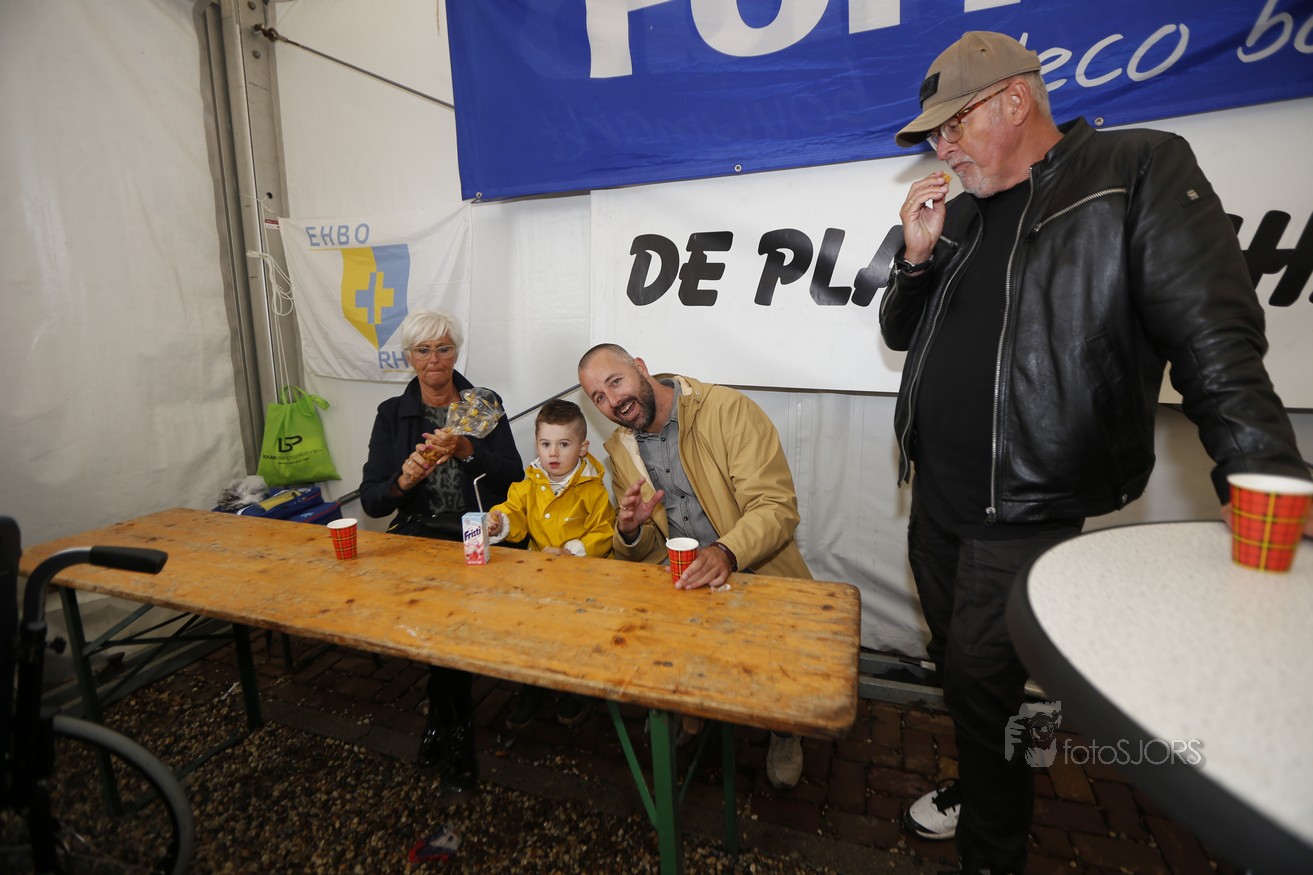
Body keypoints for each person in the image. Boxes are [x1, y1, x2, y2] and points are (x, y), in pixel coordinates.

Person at [880, 31, 1312, 874]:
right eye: (933, 134)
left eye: (953, 124)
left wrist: (1262, 472)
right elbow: (900, 332)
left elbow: (1211, 337)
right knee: (963, 671)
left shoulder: (1133, 168)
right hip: (934, 494)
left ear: (1014, 100)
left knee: (977, 678)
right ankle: (990, 769)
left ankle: (992, 849)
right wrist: (916, 258)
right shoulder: (956, 216)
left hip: (1024, 501)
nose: (942, 148)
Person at [577, 343, 813, 789]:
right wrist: (629, 530)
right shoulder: (622, 449)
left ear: (641, 368)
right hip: (684, 579)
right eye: (599, 397)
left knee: (774, 672)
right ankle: (687, 708)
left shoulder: (726, 411)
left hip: (753, 569)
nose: (613, 401)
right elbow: (646, 551)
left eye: (616, 382)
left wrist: (725, 551)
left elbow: (775, 506)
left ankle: (784, 728)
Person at [359, 309, 524, 794]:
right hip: (420, 532)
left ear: (456, 352)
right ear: (409, 357)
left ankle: (451, 732)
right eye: (423, 350)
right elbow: (372, 500)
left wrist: (469, 451)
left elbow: (515, 478)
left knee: (447, 630)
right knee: (443, 630)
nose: (434, 359)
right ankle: (452, 729)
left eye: (444, 348)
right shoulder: (392, 414)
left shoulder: (483, 404)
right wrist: (404, 480)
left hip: (475, 532)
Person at [486, 398, 616, 727]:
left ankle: (576, 690)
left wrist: (571, 551)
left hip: (583, 582)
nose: (553, 453)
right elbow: (513, 511)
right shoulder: (530, 483)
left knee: (575, 637)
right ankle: (532, 687)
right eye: (545, 444)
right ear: (537, 445)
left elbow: (604, 532)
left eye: (563, 444)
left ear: (583, 448)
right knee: (533, 632)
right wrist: (498, 522)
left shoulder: (593, 490)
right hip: (539, 575)